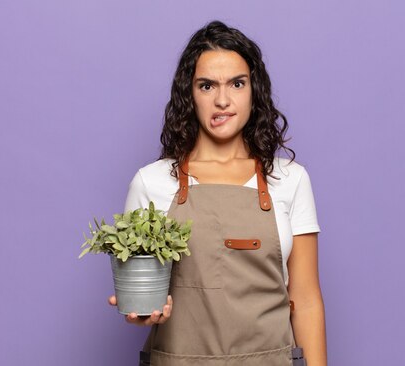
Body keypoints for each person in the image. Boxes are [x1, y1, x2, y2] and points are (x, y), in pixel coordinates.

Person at [108, 20, 327, 366]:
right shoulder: (151, 183)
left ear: (254, 91)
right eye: (207, 86)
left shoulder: (290, 180)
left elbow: (306, 298)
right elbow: (139, 294)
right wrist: (139, 312)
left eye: (236, 84)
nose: (222, 100)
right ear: (189, 94)